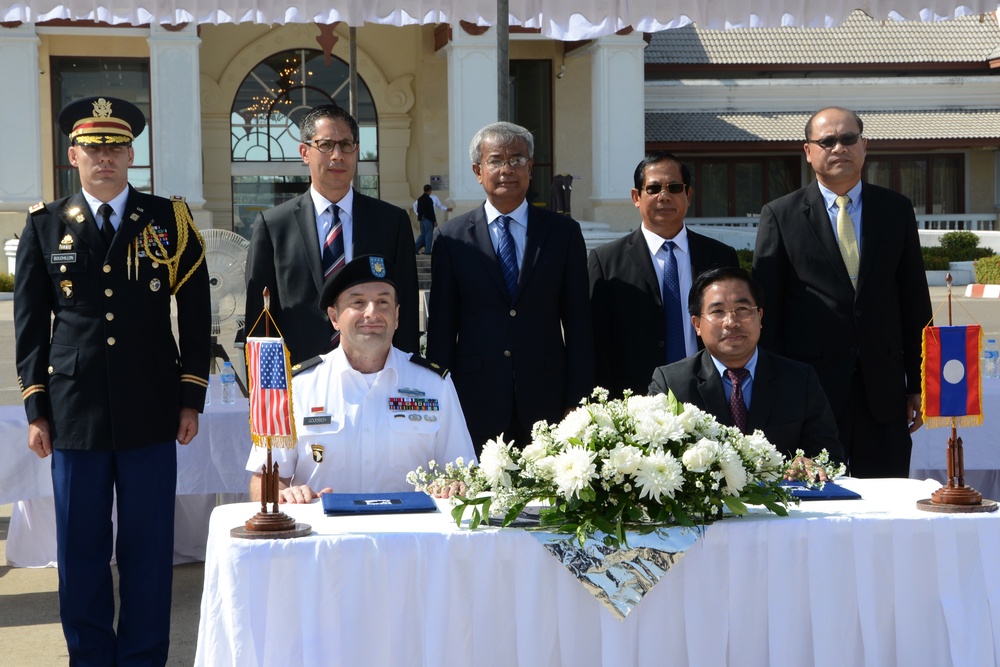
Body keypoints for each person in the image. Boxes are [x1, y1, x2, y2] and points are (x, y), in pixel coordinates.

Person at [14, 96, 210, 665]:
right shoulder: (45, 223)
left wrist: (190, 397)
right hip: (73, 410)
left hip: (151, 403)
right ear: (73, 155)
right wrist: (35, 408)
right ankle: (90, 656)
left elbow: (196, 316)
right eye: (94, 149)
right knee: (81, 548)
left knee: (148, 548)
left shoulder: (169, 220)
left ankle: (144, 656)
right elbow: (31, 327)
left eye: (117, 148)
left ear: (132, 156)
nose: (106, 158)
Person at [752, 107, 931, 478]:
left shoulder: (895, 210)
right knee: (813, 506)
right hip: (809, 390)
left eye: (848, 139)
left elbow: (914, 300)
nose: (839, 148)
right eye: (827, 141)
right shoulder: (780, 215)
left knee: (886, 504)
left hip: (882, 390)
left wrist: (918, 383)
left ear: (864, 146)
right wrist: (771, 392)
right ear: (808, 151)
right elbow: (767, 311)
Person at [246, 254, 475, 503]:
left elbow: (462, 473)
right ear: (334, 318)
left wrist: (456, 485)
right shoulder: (297, 387)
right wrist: (282, 494)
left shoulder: (434, 385)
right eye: (358, 302)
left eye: (383, 302)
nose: (372, 313)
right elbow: (263, 477)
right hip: (324, 538)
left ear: (397, 316)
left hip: (410, 537)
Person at [426, 122, 595, 454]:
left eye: (517, 159)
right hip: (475, 399)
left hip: (548, 399)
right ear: (478, 171)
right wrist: (439, 401)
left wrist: (579, 400)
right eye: (496, 160)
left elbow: (579, 324)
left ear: (530, 167)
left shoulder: (562, 233)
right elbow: (442, 329)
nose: (507, 169)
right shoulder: (452, 238)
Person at [245, 104, 419, 364]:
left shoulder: (391, 222)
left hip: (376, 374)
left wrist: (406, 377)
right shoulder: (273, 226)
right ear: (305, 152)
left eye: (346, 145)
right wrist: (265, 390)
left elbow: (404, 308)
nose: (337, 155)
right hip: (301, 378)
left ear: (356, 151)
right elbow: (260, 319)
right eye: (326, 145)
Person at [649, 267, 845, 473]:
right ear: (697, 324)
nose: (731, 322)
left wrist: (810, 464)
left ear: (760, 316)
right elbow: (656, 462)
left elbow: (830, 456)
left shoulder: (799, 380)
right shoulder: (671, 383)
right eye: (717, 311)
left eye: (742, 309)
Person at [589, 152, 739, 398]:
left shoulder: (720, 257)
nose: (664, 196)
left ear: (688, 195)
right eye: (654, 188)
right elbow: (597, 343)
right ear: (636, 197)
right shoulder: (605, 262)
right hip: (637, 398)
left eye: (674, 187)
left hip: (711, 394)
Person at [413, 183, 452, 254]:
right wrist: (434, 220)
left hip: (421, 219)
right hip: (428, 219)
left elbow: (417, 208)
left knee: (423, 234)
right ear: (430, 191)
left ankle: (415, 248)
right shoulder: (429, 199)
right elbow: (431, 211)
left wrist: (418, 215)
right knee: (429, 235)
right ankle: (427, 250)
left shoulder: (420, 199)